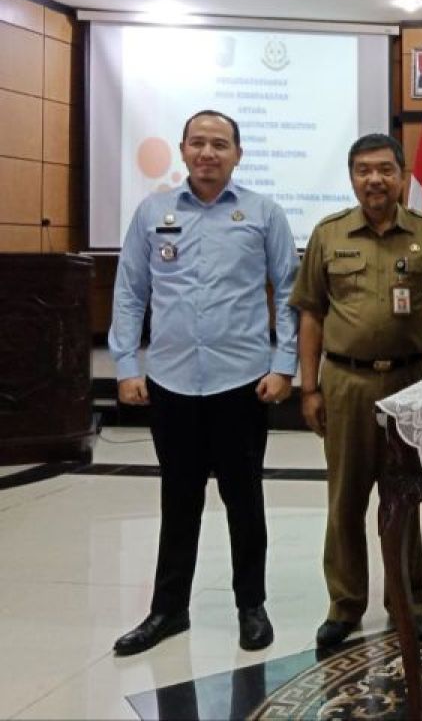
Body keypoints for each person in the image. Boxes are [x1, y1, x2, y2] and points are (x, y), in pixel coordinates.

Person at [109, 109, 298, 656]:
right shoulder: (153, 211)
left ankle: (251, 606)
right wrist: (126, 366)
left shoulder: (262, 213)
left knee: (245, 498)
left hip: (241, 381)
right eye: (198, 143)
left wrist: (283, 364)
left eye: (220, 144)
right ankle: (168, 610)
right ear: (183, 150)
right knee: (178, 497)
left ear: (238, 153)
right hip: (170, 381)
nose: (208, 153)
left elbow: (288, 293)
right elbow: (129, 292)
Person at [289, 134, 422, 648]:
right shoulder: (329, 234)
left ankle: (409, 601)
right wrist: (308, 388)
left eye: (384, 169)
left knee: (409, 494)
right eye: (362, 170)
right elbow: (310, 312)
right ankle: (344, 605)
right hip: (346, 381)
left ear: (402, 176)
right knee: (346, 497)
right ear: (351, 177)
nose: (373, 179)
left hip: (411, 382)